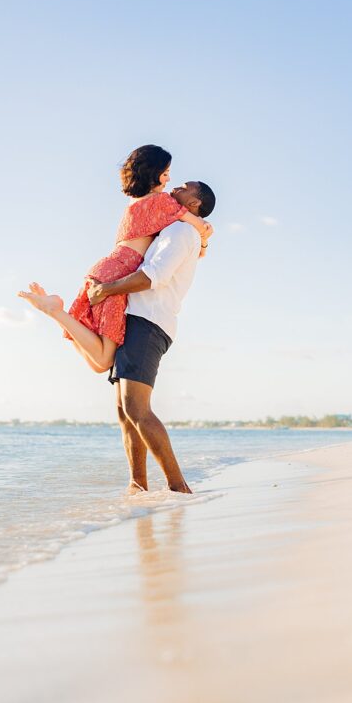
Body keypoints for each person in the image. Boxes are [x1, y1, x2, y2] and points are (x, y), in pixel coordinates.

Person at [18, 145, 212, 374]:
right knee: (103, 358)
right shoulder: (163, 202)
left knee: (98, 363)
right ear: (154, 172)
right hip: (120, 273)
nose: (169, 180)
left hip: (107, 267)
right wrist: (205, 237)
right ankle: (55, 311)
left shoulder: (134, 201)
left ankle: (57, 313)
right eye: (166, 173)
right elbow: (202, 227)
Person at [86, 180, 216, 495]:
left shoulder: (182, 233)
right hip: (137, 321)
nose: (175, 188)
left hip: (149, 321)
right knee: (124, 410)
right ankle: (137, 484)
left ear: (195, 203)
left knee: (136, 408)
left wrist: (105, 290)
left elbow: (151, 277)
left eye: (184, 188)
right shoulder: (172, 230)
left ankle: (178, 487)